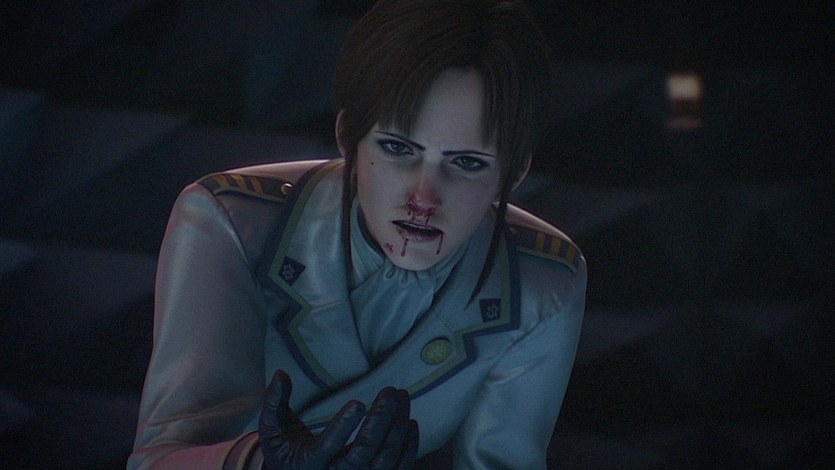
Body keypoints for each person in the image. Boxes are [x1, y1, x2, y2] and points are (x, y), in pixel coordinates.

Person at [128, 0, 587, 468]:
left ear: (514, 172)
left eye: (467, 163)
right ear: (347, 136)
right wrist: (257, 463)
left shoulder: (542, 286)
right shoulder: (232, 223)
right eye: (397, 148)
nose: (423, 198)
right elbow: (157, 460)